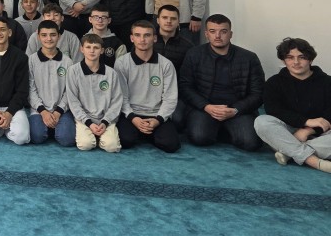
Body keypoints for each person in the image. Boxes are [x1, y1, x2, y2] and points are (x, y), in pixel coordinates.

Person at [179, 14, 263, 151]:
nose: (217, 36)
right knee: (199, 137)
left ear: (231, 34)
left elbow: (258, 93)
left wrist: (235, 110)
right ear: (206, 34)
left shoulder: (249, 58)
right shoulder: (194, 54)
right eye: (212, 31)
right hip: (205, 108)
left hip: (237, 109)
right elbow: (185, 87)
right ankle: (220, 130)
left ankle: (221, 129)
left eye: (223, 31)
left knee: (251, 142)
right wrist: (206, 106)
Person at [254, 37, 331, 173]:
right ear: (283, 60)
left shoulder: (327, 82)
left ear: (310, 59)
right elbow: (274, 110)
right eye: (290, 58)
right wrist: (306, 121)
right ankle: (314, 162)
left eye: (302, 57)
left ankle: (287, 152)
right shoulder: (274, 82)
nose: (296, 62)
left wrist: (308, 130)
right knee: (262, 121)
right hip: (287, 130)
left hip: (321, 131)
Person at [115, 20, 180, 153]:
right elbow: (121, 96)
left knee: (171, 145)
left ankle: (147, 133)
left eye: (147, 35)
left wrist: (158, 120)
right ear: (132, 38)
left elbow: (170, 98)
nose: (142, 40)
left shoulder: (166, 64)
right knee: (125, 140)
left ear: (154, 38)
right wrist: (133, 118)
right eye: (137, 35)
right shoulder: (121, 63)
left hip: (156, 114)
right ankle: (143, 133)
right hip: (131, 114)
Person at [65, 34, 124, 153]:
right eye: (88, 47)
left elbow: (116, 101)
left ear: (102, 50)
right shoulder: (73, 71)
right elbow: (73, 101)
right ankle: (94, 136)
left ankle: (100, 136)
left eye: (96, 47)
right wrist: (88, 123)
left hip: (106, 118)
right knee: (86, 145)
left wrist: (105, 121)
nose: (92, 51)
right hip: (84, 118)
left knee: (112, 147)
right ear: (82, 49)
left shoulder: (111, 73)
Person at [27, 21, 74, 146]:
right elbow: (30, 89)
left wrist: (58, 112)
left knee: (67, 140)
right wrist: (43, 112)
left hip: (62, 110)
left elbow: (69, 91)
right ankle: (49, 127)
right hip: (38, 110)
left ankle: (55, 127)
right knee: (36, 137)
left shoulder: (67, 62)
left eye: (53, 35)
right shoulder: (31, 60)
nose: (49, 39)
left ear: (59, 36)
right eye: (44, 35)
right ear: (38, 36)